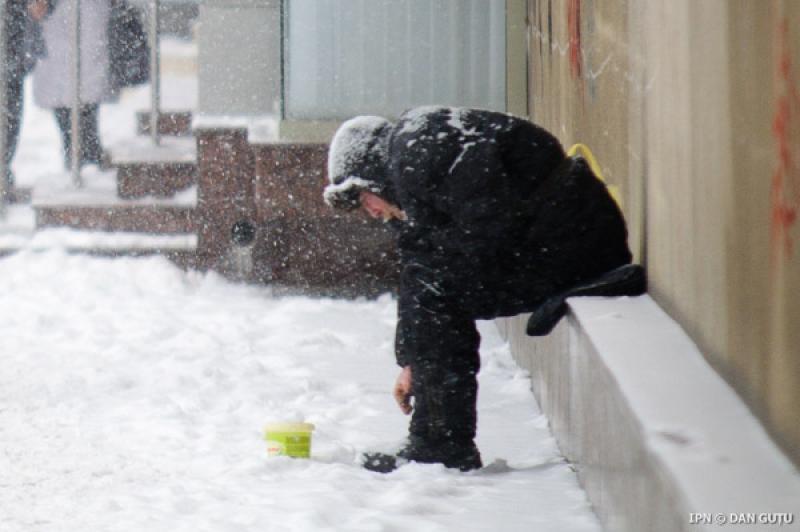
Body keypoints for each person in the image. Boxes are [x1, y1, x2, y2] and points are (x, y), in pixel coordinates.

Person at [323, 107, 646, 473]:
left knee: (440, 295)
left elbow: (486, 227)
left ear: (372, 176)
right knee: (433, 288)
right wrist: (414, 359)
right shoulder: (415, 158)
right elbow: (418, 268)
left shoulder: (419, 154)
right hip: (558, 240)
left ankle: (442, 444)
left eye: (364, 199)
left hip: (575, 245)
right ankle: (434, 439)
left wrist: (432, 339)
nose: (372, 212)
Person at [28, 0, 113, 169]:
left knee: (85, 75)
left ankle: (84, 148)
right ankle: (78, 147)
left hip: (83, 11)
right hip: (56, 14)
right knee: (64, 76)